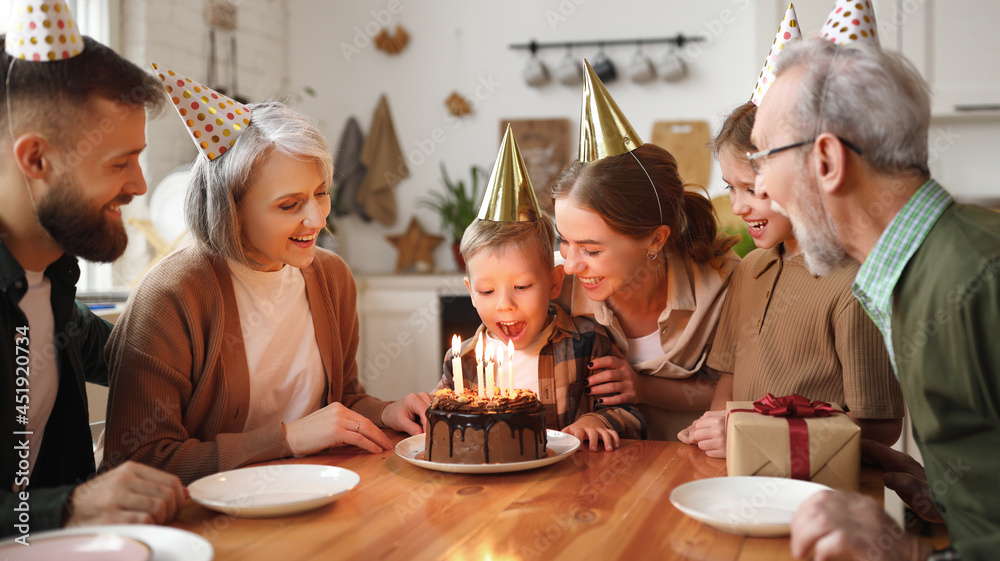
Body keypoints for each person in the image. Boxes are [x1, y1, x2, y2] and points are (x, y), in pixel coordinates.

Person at [101, 71, 430, 485]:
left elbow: (342, 401)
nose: (316, 218)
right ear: (230, 210)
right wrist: (287, 439)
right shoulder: (172, 295)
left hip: (312, 497)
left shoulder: (331, 277)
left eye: (321, 192)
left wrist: (386, 411)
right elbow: (139, 463)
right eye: (290, 204)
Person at [752, 37, 1000, 561]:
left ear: (826, 161)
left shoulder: (977, 281)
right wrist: (948, 492)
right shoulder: (914, 274)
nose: (761, 191)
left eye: (763, 157)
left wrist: (906, 555)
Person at [0, 5, 186, 536]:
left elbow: (141, 363)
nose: (139, 186)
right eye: (119, 163)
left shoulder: (53, 286)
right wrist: (68, 507)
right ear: (36, 159)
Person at [676, 101, 903, 456]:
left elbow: (880, 428)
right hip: (740, 473)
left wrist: (751, 436)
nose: (737, 207)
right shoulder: (750, 269)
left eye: (752, 189)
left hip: (816, 489)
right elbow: (730, 377)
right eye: (730, 188)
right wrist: (715, 427)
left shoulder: (854, 285)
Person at [551, 61, 740, 441]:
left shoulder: (723, 283)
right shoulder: (560, 290)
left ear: (655, 240)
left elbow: (733, 391)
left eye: (590, 249)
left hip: (693, 467)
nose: (570, 265)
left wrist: (643, 387)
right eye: (563, 241)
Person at [436, 126, 644, 451]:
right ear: (470, 291)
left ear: (554, 282)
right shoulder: (462, 362)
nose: (505, 304)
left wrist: (599, 421)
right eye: (487, 291)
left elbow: (633, 417)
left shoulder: (587, 344)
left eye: (521, 286)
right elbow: (442, 426)